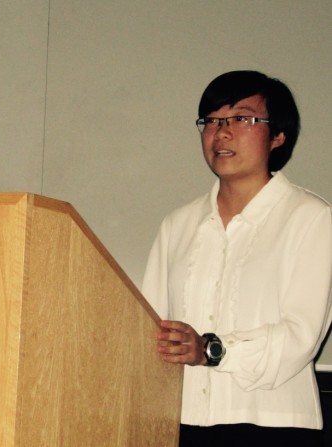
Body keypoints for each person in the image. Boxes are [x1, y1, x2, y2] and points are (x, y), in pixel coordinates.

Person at [141, 70, 332, 446]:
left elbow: (301, 336)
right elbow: (149, 330)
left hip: (273, 425)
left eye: (242, 119)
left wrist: (211, 350)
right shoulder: (177, 225)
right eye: (211, 121)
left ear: (278, 135)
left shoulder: (312, 218)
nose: (222, 132)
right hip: (178, 425)